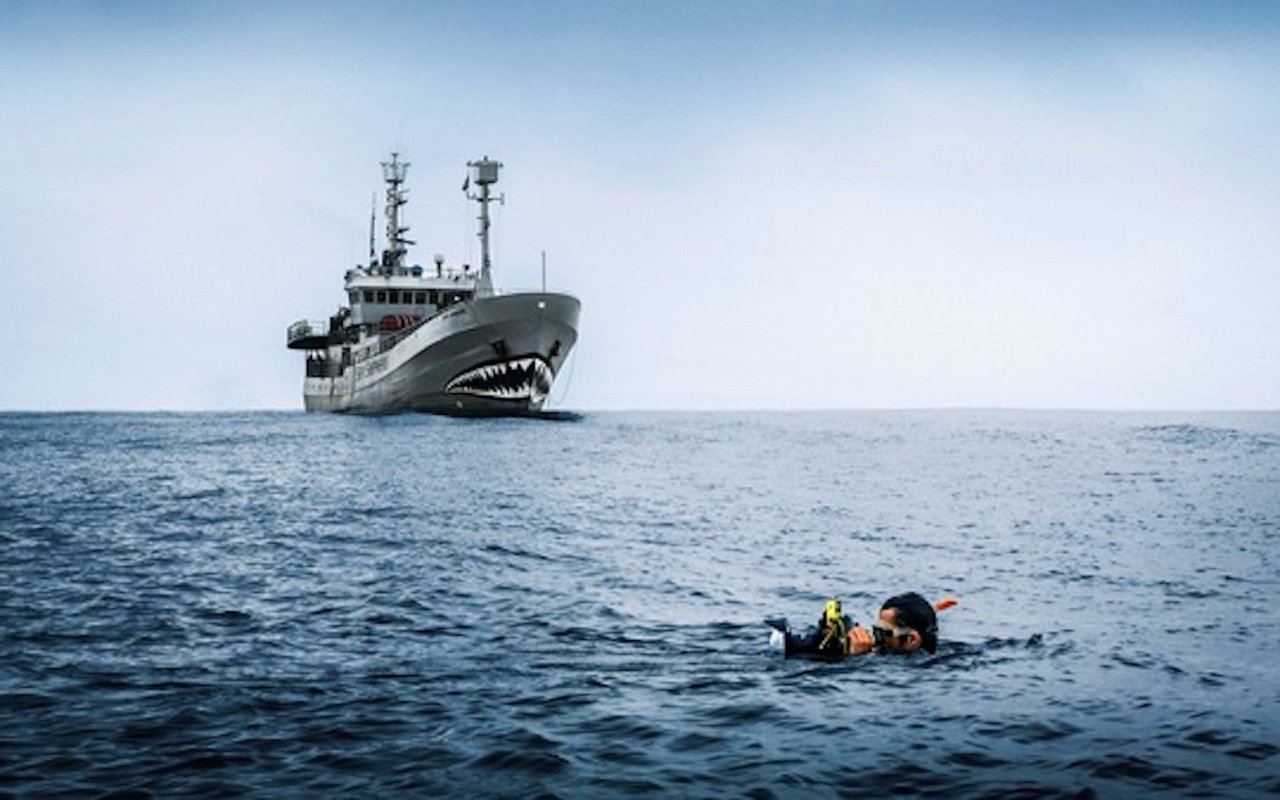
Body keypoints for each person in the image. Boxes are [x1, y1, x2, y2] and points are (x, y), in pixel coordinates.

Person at [767, 593, 957, 660]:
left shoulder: (914, 668)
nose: (875, 638)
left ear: (912, 639)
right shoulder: (907, 640)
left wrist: (853, 660)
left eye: (882, 633)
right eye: (875, 630)